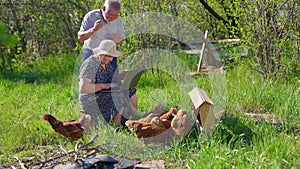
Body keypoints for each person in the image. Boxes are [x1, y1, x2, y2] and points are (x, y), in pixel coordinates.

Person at [77, 0, 138, 111]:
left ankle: (132, 116)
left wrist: (117, 40)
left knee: (114, 82)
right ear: (103, 9)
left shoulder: (118, 21)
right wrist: (93, 30)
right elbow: (80, 37)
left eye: (115, 16)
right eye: (110, 15)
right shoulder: (92, 16)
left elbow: (121, 41)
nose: (112, 18)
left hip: (110, 52)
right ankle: (91, 109)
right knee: (89, 81)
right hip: (92, 52)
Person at [79, 40, 134, 130]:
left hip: (103, 93)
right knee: (118, 96)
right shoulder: (90, 64)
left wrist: (121, 76)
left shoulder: (107, 64)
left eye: (112, 57)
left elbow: (110, 81)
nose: (111, 59)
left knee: (130, 90)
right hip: (91, 98)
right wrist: (104, 86)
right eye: (109, 56)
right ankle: (118, 127)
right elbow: (83, 88)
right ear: (101, 53)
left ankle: (132, 120)